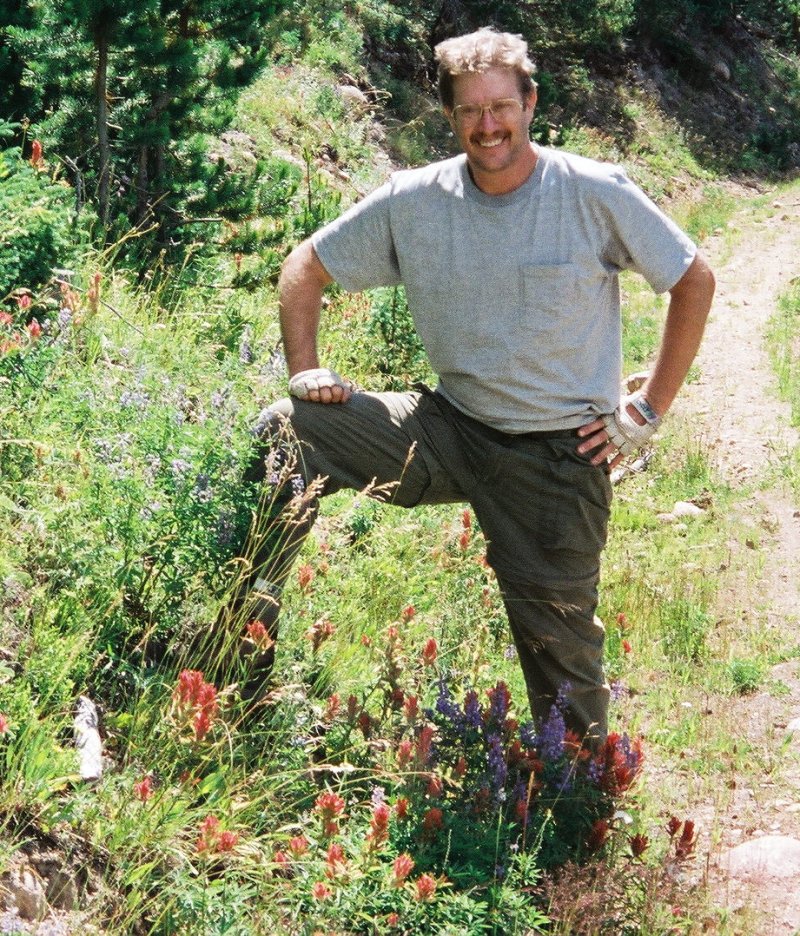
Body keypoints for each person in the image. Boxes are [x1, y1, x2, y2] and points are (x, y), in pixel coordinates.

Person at [222, 26, 715, 745]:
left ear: (529, 103)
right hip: (449, 427)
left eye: (500, 107)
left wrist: (646, 409)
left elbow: (692, 277)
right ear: (449, 117)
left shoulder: (590, 191)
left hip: (557, 454)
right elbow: (305, 266)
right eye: (469, 111)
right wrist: (306, 368)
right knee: (287, 430)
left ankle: (578, 803)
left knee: (562, 660)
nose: (487, 126)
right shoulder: (417, 200)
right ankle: (238, 668)